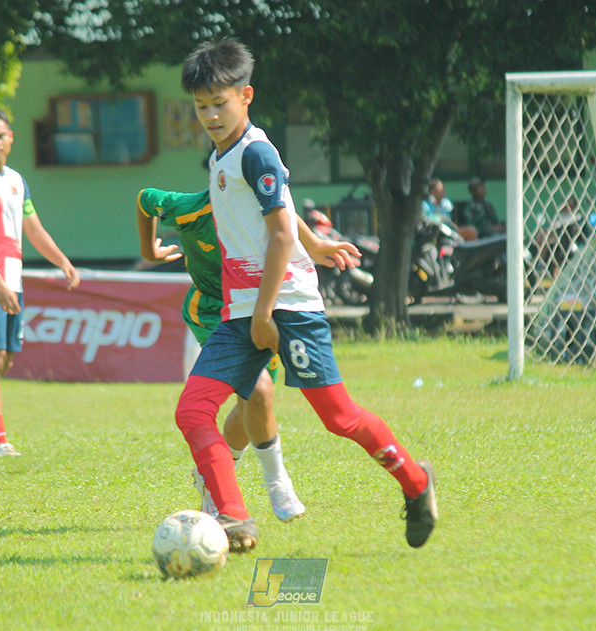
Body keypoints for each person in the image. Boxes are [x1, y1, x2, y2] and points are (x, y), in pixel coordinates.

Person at [175, 38, 437, 553]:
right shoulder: (223, 155)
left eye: (218, 104)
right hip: (243, 311)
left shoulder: (256, 152)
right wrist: (314, 242)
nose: (209, 114)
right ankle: (232, 518)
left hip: (285, 306)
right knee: (192, 412)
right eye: (200, 106)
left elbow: (276, 235)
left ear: (245, 96)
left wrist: (266, 311)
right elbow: (279, 212)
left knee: (339, 417)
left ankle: (416, 482)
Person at [137, 187, 359, 522]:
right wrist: (149, 250)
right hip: (212, 311)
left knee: (252, 405)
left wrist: (312, 244)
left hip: (260, 310)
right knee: (257, 390)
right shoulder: (190, 210)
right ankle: (277, 482)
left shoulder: (257, 203)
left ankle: (211, 482)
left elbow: (281, 212)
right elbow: (145, 200)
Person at [0, 108, 80, 456]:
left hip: (11, 281)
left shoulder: (17, 180)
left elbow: (33, 229)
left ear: (11, 137)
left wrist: (63, 261)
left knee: (2, 362)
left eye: (0, 135)